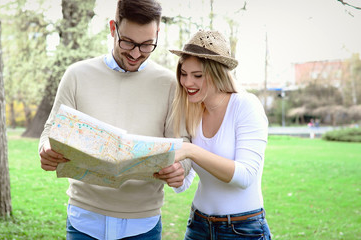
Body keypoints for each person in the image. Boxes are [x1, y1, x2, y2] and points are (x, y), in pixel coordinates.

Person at [38, 0, 191, 239]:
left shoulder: (170, 84)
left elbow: (183, 142)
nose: (135, 53)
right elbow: (51, 130)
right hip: (84, 221)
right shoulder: (77, 75)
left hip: (143, 224)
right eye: (127, 42)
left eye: (147, 44)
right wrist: (46, 148)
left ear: (157, 34)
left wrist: (180, 168)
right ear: (113, 28)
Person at [169, 30, 272, 239]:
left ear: (217, 73)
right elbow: (186, 181)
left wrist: (191, 151)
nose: (187, 83)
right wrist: (175, 174)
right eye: (184, 73)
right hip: (198, 226)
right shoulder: (193, 110)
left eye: (197, 75)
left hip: (242, 230)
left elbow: (245, 176)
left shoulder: (245, 105)